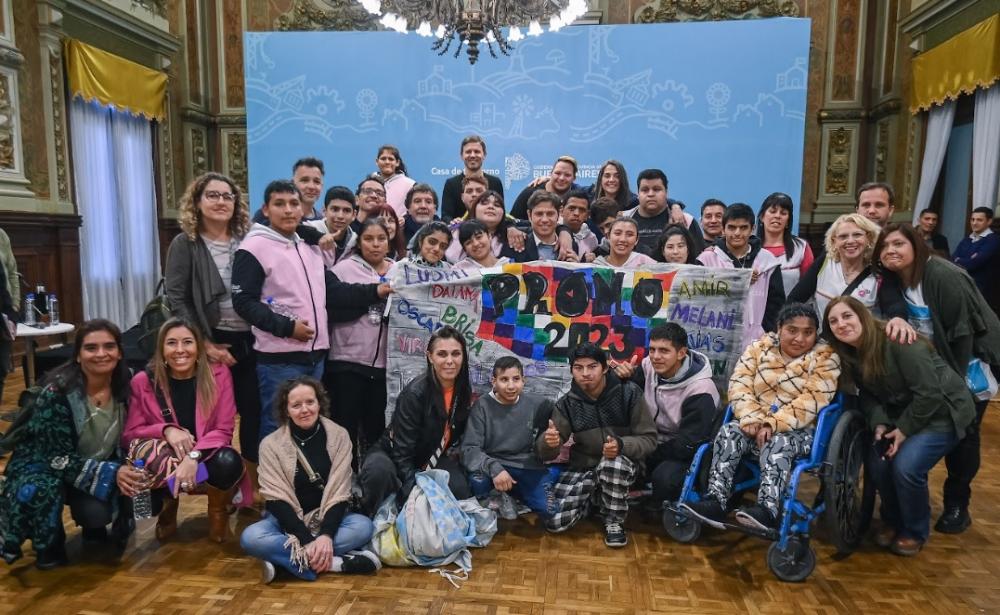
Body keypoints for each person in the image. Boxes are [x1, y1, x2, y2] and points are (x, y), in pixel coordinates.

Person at [232, 179, 390, 443]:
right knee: (278, 425)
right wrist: (287, 327)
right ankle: (275, 484)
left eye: (294, 203)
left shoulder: (309, 246)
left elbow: (335, 291)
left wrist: (377, 291)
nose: (288, 210)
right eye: (279, 204)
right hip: (279, 358)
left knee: (309, 426)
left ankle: (304, 483)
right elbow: (244, 302)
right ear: (266, 209)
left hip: (316, 357)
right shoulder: (253, 247)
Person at [874, 222, 1000, 534]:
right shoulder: (893, 279)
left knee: (964, 434)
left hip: (968, 365)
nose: (892, 251)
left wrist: (953, 386)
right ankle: (909, 500)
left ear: (916, 246)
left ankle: (958, 504)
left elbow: (963, 334)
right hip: (931, 367)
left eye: (899, 244)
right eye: (885, 246)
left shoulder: (945, 276)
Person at [825, 297, 974, 555]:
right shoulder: (850, 353)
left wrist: (903, 430)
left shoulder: (899, 341)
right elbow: (868, 395)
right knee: (878, 463)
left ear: (862, 315)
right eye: (833, 321)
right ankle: (892, 520)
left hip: (943, 413)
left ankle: (914, 530)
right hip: (899, 413)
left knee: (906, 467)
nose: (841, 324)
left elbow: (930, 394)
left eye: (847, 316)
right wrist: (880, 423)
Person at [681, 304, 840, 532]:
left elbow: (813, 399)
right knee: (728, 432)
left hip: (801, 432)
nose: (800, 338)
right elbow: (739, 384)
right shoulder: (760, 348)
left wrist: (772, 424)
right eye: (792, 330)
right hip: (753, 424)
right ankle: (716, 500)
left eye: (808, 332)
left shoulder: (826, 357)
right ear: (779, 329)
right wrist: (751, 418)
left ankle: (768, 510)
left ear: (816, 333)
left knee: (778, 442)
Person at [0, 320, 142, 568]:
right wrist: (112, 472)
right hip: (44, 466)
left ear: (119, 352)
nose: (101, 354)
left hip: (93, 463)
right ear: (77, 355)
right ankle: (49, 543)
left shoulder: (127, 385)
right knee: (42, 486)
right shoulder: (57, 393)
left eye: (109, 346)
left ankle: (96, 525)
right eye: (91, 348)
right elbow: (56, 458)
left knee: (96, 513)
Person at [165, 173, 264, 498]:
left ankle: (248, 488)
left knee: (252, 414)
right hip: (206, 340)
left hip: (250, 339)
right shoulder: (185, 243)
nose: (221, 202)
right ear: (197, 201)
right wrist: (203, 345)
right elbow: (177, 298)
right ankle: (205, 488)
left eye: (227, 196)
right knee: (212, 419)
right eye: (212, 195)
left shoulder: (249, 238)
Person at [240, 376, 379, 583]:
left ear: (319, 403)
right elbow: (276, 500)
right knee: (251, 537)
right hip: (286, 522)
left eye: (310, 402)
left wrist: (326, 535)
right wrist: (305, 540)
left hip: (326, 518)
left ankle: (285, 563)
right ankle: (335, 564)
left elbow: (340, 493)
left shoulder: (339, 436)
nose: (304, 410)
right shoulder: (270, 445)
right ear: (286, 410)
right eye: (296, 405)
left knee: (364, 527)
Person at [123, 318, 251, 543]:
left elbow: (224, 429)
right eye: (171, 343)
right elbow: (130, 434)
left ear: (199, 348)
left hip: (204, 462)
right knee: (143, 487)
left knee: (228, 462)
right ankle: (167, 505)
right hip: (165, 465)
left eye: (187, 342)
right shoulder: (143, 381)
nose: (180, 350)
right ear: (161, 349)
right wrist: (166, 430)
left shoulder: (218, 374)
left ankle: (217, 511)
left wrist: (193, 457)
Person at [537, 343, 657, 548]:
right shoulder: (567, 403)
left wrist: (620, 445)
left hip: (623, 466)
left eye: (592, 367)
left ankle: (614, 521)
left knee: (612, 465)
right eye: (578, 368)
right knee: (554, 522)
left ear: (605, 368)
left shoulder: (629, 393)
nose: (585, 373)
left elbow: (649, 439)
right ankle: (595, 496)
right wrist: (549, 442)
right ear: (572, 370)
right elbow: (547, 451)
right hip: (583, 467)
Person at [358, 326, 474, 516]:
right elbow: (402, 453)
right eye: (442, 354)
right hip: (394, 455)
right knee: (379, 474)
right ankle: (372, 521)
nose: (450, 361)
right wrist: (415, 491)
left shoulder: (463, 390)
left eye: (456, 354)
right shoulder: (415, 393)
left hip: (429, 456)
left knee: (461, 491)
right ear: (430, 356)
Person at [611, 323, 720, 506]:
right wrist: (622, 379)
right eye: (652, 349)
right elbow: (628, 402)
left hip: (682, 452)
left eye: (664, 351)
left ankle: (655, 500)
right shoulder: (647, 367)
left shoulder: (701, 389)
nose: (655, 357)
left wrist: (645, 452)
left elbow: (688, 444)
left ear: (681, 353)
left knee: (664, 478)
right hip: (650, 439)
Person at [325, 218, 395, 468]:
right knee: (345, 427)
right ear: (358, 241)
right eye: (368, 238)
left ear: (389, 241)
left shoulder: (401, 271)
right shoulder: (342, 269)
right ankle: (344, 481)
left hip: (384, 367)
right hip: (347, 363)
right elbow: (330, 306)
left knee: (376, 428)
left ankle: (372, 483)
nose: (375, 244)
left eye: (381, 239)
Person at [787, 213, 912, 339]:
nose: (850, 241)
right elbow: (795, 299)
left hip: (861, 347)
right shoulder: (825, 262)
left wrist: (898, 319)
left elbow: (894, 303)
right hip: (824, 345)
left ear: (868, 238)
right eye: (843, 236)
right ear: (834, 241)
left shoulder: (879, 271)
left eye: (857, 235)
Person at [462, 357, 556, 520]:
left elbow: (559, 419)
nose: (511, 386)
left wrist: (553, 438)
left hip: (525, 465)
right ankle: (497, 495)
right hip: (493, 464)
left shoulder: (538, 404)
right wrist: (494, 468)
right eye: (504, 379)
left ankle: (513, 495)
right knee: (478, 481)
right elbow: (469, 449)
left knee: (549, 510)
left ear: (523, 380)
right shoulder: (482, 406)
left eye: (516, 379)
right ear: (494, 381)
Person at [697, 203, 784, 349]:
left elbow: (776, 305)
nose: (737, 233)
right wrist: (737, 280)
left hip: (759, 342)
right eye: (731, 227)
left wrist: (768, 334)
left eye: (743, 227)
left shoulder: (767, 261)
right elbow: (697, 301)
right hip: (716, 341)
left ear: (753, 229)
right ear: (723, 229)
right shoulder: (706, 260)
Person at [621, 169, 704, 258]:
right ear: (638, 194)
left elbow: (699, 258)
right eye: (645, 190)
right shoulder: (623, 221)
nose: (650, 194)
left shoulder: (686, 221)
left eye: (656, 189)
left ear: (666, 192)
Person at [756, 192, 814, 295]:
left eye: (783, 213)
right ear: (762, 217)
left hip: (790, 309)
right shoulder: (750, 247)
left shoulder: (801, 247)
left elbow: (808, 285)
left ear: (788, 221)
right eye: (772, 211)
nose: (777, 216)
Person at [444, 190, 524, 263]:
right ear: (474, 209)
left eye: (497, 205)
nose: (491, 207)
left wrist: (511, 226)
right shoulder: (454, 231)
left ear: (503, 213)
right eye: (485, 203)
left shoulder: (515, 234)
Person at [441, 135, 504, 222]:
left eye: (477, 151)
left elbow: (501, 212)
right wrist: (455, 224)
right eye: (468, 152)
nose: (472, 155)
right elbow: (446, 216)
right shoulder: (451, 184)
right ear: (461, 155)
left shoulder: (495, 182)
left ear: (484, 155)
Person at [502, 191, 577, 263]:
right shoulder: (516, 242)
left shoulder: (571, 245)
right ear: (529, 215)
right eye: (539, 214)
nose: (545, 219)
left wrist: (576, 267)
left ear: (559, 214)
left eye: (550, 214)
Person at [253, 158, 324, 224]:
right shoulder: (267, 215)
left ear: (322, 186)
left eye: (316, 181)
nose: (311, 186)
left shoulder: (322, 221)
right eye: (304, 180)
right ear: (292, 183)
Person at [511, 155, 580, 220]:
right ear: (551, 174)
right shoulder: (530, 192)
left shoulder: (578, 194)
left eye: (567, 175)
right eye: (557, 173)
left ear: (574, 178)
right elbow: (513, 221)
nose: (561, 178)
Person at [952, 207, 999, 299]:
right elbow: (952, 259)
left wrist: (959, 260)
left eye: (979, 220)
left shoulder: (993, 240)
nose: (974, 223)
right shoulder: (967, 239)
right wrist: (967, 259)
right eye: (972, 219)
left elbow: (974, 263)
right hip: (962, 287)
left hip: (981, 291)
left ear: (989, 222)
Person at [306, 186, 357, 268]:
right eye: (335, 209)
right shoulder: (306, 232)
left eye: (346, 210)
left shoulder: (357, 243)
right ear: (324, 211)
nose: (340, 216)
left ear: (354, 215)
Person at [0, 227, 18, 402]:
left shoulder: (1, 235)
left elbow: (10, 275)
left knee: (1, 370)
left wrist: (14, 309)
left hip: (3, 318)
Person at [375, 145, 415, 218]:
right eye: (383, 159)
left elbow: (414, 210)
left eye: (391, 159)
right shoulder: (368, 184)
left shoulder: (410, 185)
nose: (387, 162)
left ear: (397, 162)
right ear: (377, 161)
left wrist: (404, 219)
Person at [562, 189, 599, 259]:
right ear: (561, 211)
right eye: (571, 208)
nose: (576, 213)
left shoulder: (592, 239)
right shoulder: (551, 232)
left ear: (587, 215)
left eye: (582, 210)